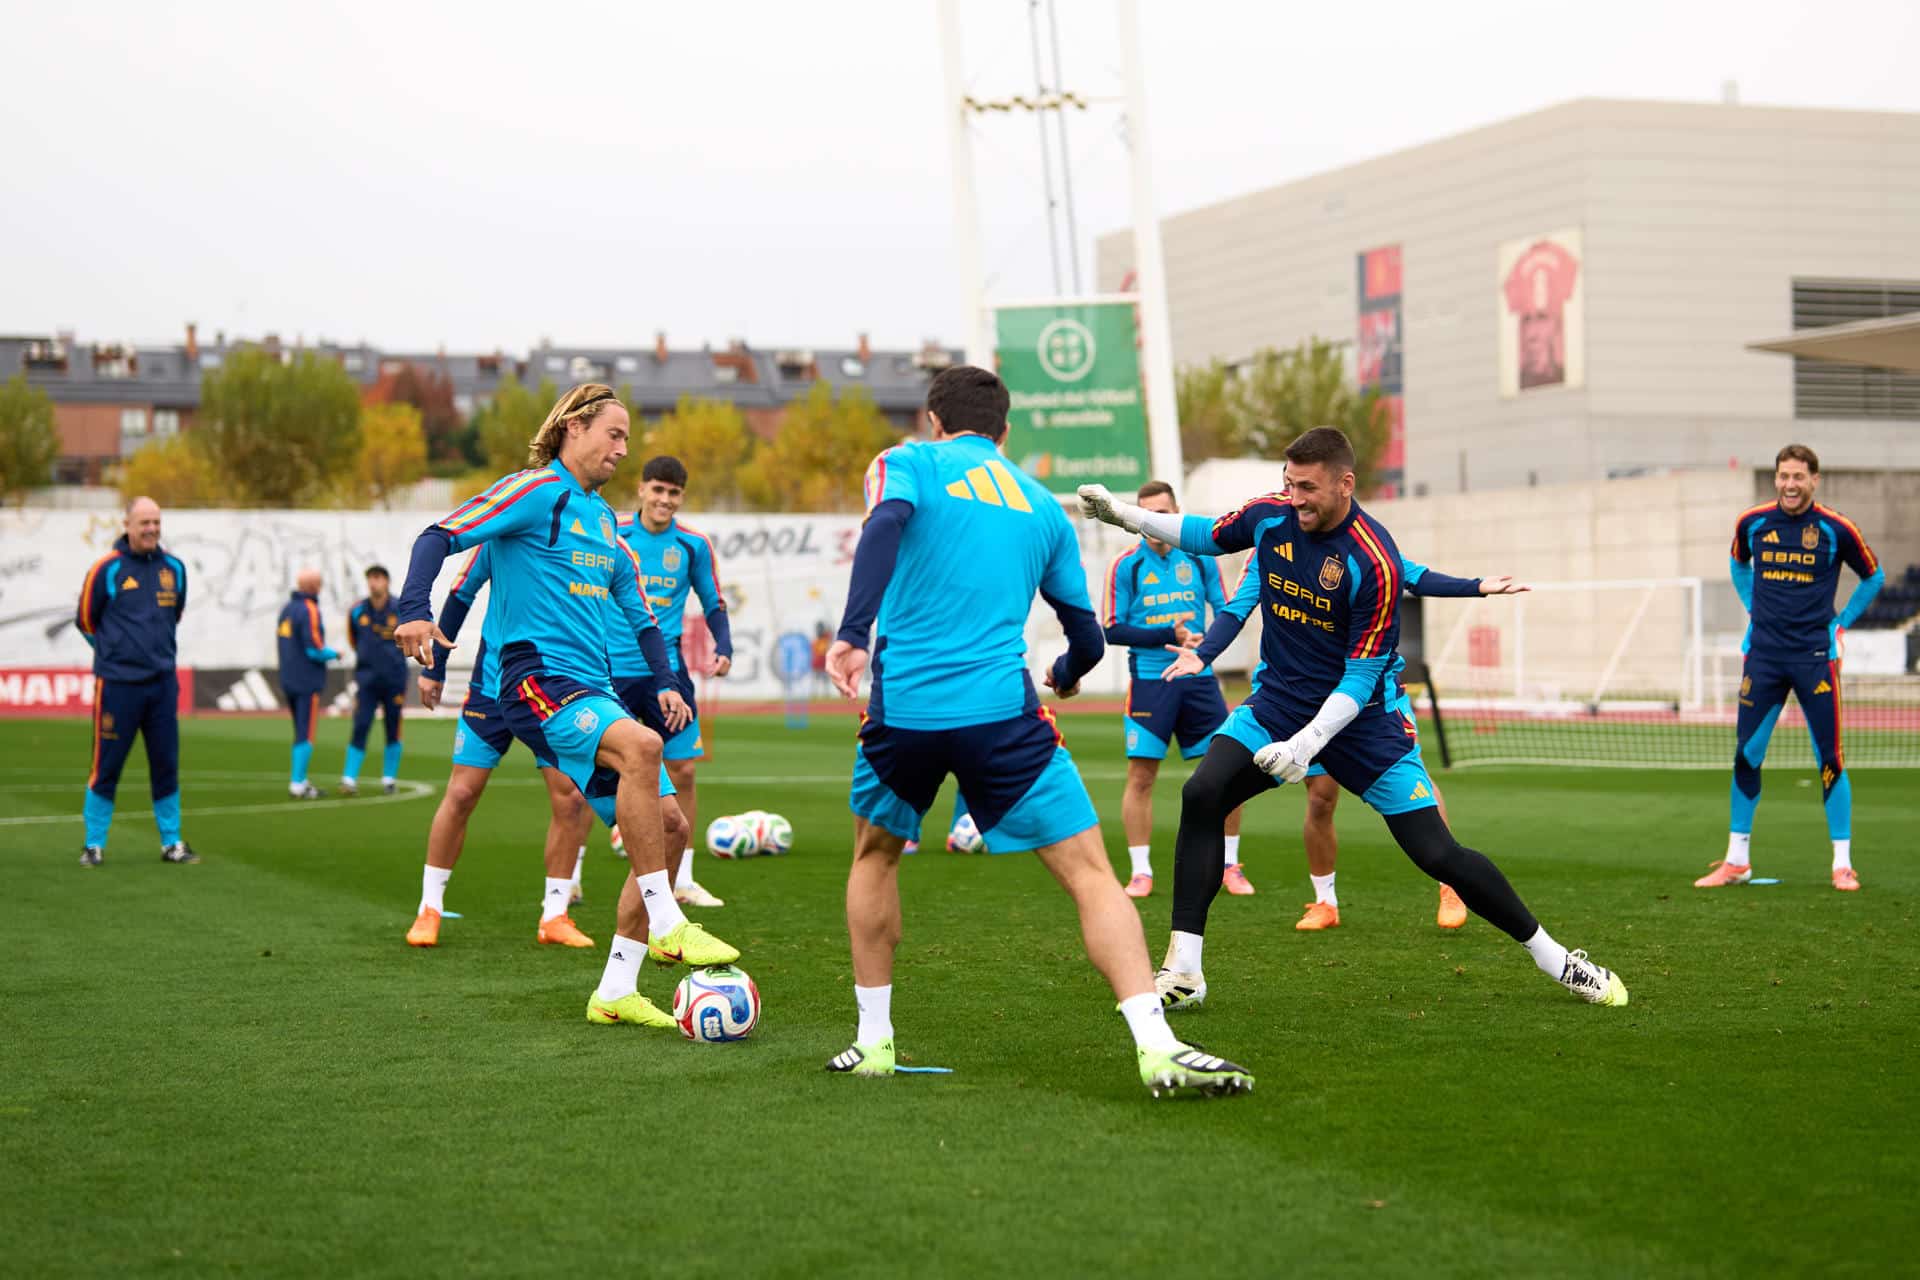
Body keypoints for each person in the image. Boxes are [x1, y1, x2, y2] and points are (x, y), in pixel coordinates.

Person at [1077, 426, 1627, 1012]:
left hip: (1365, 723)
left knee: (1436, 854)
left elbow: (1361, 677)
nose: (1295, 499)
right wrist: (1123, 515)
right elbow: (1206, 534)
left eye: (1308, 487)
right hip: (1276, 704)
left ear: (1346, 484)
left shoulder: (1375, 559)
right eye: (1289, 484)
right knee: (1204, 793)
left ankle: (1557, 958)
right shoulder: (1271, 517)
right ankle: (1184, 970)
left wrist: (1307, 744)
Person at [823, 364, 1253, 1097]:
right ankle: (1157, 1044)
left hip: (905, 712)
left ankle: (873, 1043)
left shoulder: (905, 463)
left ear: (933, 419)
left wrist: (853, 633)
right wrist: (1065, 673)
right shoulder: (1040, 504)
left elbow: (886, 525)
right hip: (1001, 714)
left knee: (876, 857)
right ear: (1004, 430)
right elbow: (1085, 634)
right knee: (1091, 873)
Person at [394, 382, 736, 1029]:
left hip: (594, 686)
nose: (623, 449)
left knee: (669, 830)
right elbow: (438, 537)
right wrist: (415, 612)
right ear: (573, 428)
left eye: (628, 438)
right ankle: (668, 919)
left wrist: (664, 679)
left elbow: (637, 613)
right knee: (640, 746)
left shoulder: (606, 521)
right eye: (615, 433)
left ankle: (615, 991)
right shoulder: (532, 491)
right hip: (533, 678)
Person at [1162, 538, 1528, 930]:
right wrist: (1204, 654)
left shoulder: (1362, 545)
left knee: (1410, 785)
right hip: (1299, 700)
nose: (1299, 502)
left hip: (1371, 701)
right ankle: (1324, 902)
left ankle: (1449, 884)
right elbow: (1237, 607)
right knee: (1319, 799)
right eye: (1291, 488)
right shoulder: (1268, 543)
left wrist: (1474, 586)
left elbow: (1414, 576)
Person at [1696, 443, 1882, 892]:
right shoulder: (1752, 522)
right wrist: (1753, 608)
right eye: (1783, 476)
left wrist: (1840, 625)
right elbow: (1738, 563)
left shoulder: (1837, 529)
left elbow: (1873, 576)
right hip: (1762, 656)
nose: (1790, 484)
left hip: (1815, 658)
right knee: (1747, 755)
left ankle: (1842, 864)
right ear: (1775, 478)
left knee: (1829, 759)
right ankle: (1736, 861)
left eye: (1799, 476)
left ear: (1814, 480)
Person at [406, 544, 596, 949]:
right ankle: (429, 908)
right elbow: (460, 595)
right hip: (491, 687)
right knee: (460, 793)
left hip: (553, 691)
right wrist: (436, 667)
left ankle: (555, 915)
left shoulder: (574, 539)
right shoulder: (499, 538)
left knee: (570, 800)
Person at [1102, 480, 1247, 899]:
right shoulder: (1125, 565)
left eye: (1163, 513)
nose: (1154, 522)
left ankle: (1230, 865)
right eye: (1146, 513)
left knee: (1228, 774)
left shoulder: (1201, 559)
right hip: (1151, 684)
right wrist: (1168, 633)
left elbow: (1226, 610)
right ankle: (1141, 871)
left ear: (1176, 512)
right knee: (1142, 777)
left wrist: (1208, 641)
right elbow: (1112, 629)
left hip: (1199, 682)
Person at [607, 455, 733, 909]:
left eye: (673, 493)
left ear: (681, 498)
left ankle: (682, 878)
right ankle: (572, 877)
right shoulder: (612, 533)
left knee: (684, 770)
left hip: (667, 675)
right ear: (641, 489)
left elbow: (713, 602)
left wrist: (724, 646)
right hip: (608, 670)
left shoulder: (693, 545)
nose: (664, 499)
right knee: (593, 775)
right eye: (657, 489)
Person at [74, 496, 196, 865]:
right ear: (126, 524)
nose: (151, 529)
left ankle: (171, 843)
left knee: (165, 763)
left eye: (156, 522)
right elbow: (85, 619)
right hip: (117, 686)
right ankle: (93, 845)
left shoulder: (174, 568)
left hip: (161, 685)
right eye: (144, 522)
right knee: (106, 764)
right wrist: (114, 651)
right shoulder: (106, 569)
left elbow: (173, 615)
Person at [339, 565, 407, 796]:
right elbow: (353, 639)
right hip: (367, 680)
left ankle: (389, 779)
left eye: (377, 578)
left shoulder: (400, 609)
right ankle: (349, 779)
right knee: (360, 725)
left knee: (392, 728)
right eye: (370, 579)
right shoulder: (358, 610)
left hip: (394, 680)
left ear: (386, 582)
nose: (373, 583)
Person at [277, 567, 338, 800]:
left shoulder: (286, 609)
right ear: (314, 587)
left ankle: (299, 779)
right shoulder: (309, 609)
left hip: (288, 678)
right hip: (307, 680)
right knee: (306, 732)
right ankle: (298, 783)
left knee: (299, 730)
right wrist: (336, 654)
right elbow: (315, 649)